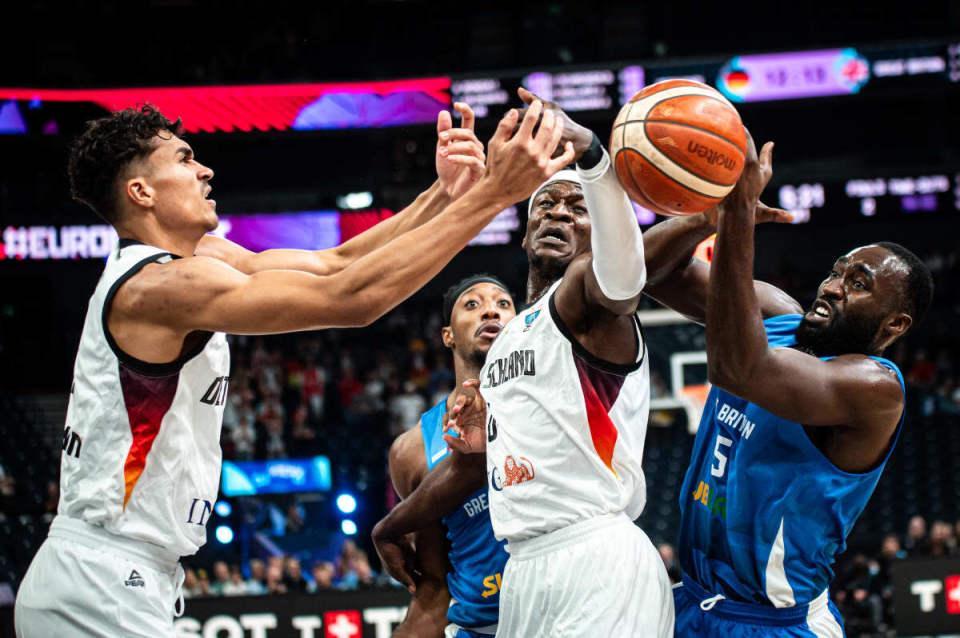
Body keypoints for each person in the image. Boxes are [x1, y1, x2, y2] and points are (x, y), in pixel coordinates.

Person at [13, 98, 575, 638]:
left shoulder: (200, 258)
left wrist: (445, 195)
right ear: (141, 192)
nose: (205, 170)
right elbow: (351, 299)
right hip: (102, 578)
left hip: (124, 574)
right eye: (184, 159)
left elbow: (334, 262)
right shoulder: (158, 287)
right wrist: (496, 195)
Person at [376, 88, 675, 637]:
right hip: (525, 565)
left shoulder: (590, 303)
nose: (558, 212)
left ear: (597, 233)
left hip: (593, 556)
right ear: (524, 234)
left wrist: (595, 160)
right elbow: (469, 470)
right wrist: (392, 525)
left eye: (576, 208)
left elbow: (623, 278)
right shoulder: (512, 339)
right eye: (545, 206)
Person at [654, 135, 933, 636]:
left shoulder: (875, 388)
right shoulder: (779, 316)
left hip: (774, 622)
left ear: (894, 325)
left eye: (859, 284)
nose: (833, 287)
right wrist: (704, 217)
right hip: (694, 602)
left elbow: (736, 368)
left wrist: (738, 217)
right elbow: (653, 273)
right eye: (836, 272)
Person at [385, 275, 516, 637]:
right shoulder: (412, 451)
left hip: (564, 612)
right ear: (448, 336)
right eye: (472, 304)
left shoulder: (553, 407)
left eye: (503, 304)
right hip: (484, 627)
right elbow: (435, 582)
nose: (490, 311)